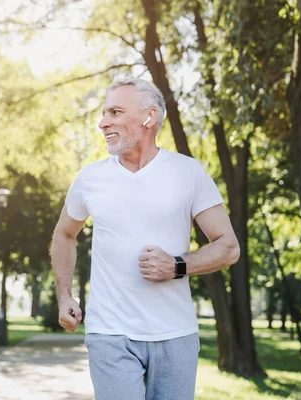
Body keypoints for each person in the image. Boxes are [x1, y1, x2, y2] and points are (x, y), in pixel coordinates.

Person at [50, 78, 240, 400]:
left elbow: (228, 246)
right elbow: (65, 234)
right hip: (109, 333)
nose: (102, 122)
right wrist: (65, 296)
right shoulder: (90, 178)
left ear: (148, 118)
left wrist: (177, 266)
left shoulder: (188, 172)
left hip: (175, 334)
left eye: (114, 112)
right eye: (103, 113)